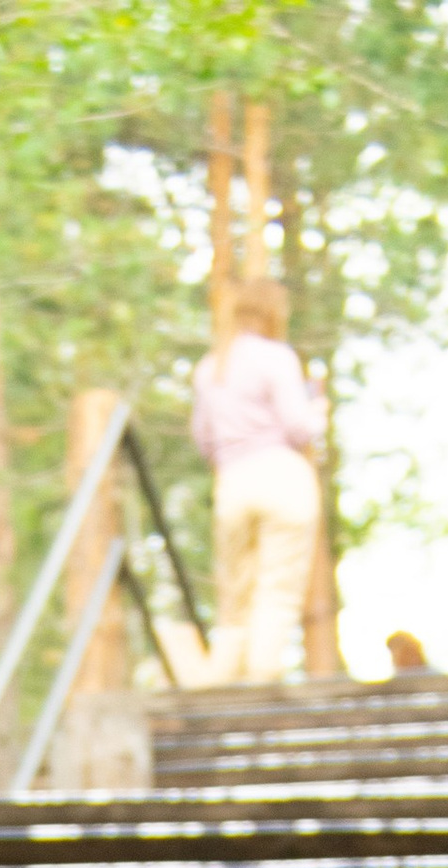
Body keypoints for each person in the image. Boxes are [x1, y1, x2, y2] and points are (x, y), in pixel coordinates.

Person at [189, 276, 326, 688]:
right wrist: (319, 408)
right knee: (278, 584)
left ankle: (221, 676)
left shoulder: (211, 366)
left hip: (232, 481)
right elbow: (300, 427)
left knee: (234, 590)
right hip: (281, 474)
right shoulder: (276, 357)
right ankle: (263, 673)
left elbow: (203, 438)